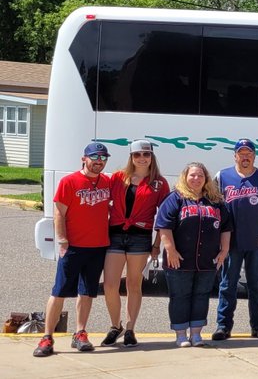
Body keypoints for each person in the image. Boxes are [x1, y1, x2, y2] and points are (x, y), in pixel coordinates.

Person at [33, 142, 114, 357]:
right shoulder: (69, 181)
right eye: (95, 157)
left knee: (87, 292)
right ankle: (47, 337)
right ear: (84, 158)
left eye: (103, 158)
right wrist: (62, 241)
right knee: (59, 291)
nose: (99, 161)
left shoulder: (106, 181)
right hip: (73, 246)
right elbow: (59, 213)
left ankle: (80, 333)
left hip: (98, 246)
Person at [100, 139, 170, 348]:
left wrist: (157, 245)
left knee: (134, 284)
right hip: (115, 235)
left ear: (151, 157)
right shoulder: (118, 178)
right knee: (110, 285)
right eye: (137, 155)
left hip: (140, 237)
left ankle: (130, 329)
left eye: (146, 154)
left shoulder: (159, 183)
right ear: (131, 157)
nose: (142, 158)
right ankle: (116, 325)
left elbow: (164, 217)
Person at [155, 163, 231, 347]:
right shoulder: (175, 198)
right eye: (192, 175)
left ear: (206, 179)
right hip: (180, 259)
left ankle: (196, 334)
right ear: (185, 177)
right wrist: (170, 250)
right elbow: (164, 225)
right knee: (180, 296)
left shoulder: (215, 201)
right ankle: (180, 334)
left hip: (207, 259)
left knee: (201, 295)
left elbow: (226, 227)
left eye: (200, 176)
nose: (196, 179)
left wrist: (224, 250)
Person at [214, 138, 258, 341]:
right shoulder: (222, 177)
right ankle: (223, 326)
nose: (245, 157)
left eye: (249, 153)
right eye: (241, 153)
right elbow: (214, 207)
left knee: (257, 285)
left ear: (254, 156)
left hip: (257, 242)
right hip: (231, 242)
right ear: (235, 155)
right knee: (228, 284)